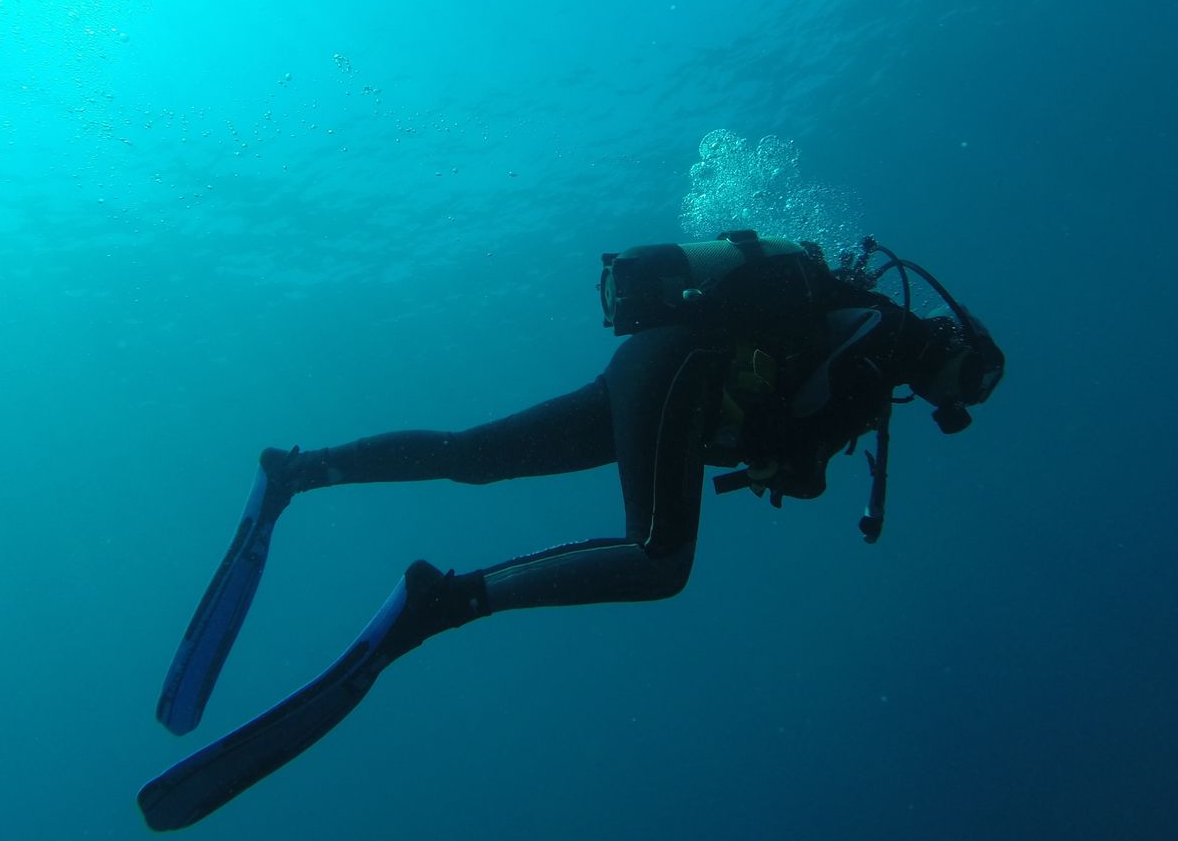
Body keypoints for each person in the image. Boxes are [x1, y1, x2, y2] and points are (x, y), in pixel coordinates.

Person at [137, 231, 1004, 831]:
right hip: (683, 370)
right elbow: (788, 442)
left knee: (475, 455)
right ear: (955, 345)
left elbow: (782, 431)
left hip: (656, 365)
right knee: (659, 560)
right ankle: (445, 604)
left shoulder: (858, 336)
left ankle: (298, 471)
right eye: (971, 380)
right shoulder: (879, 341)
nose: (958, 399)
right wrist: (794, 459)